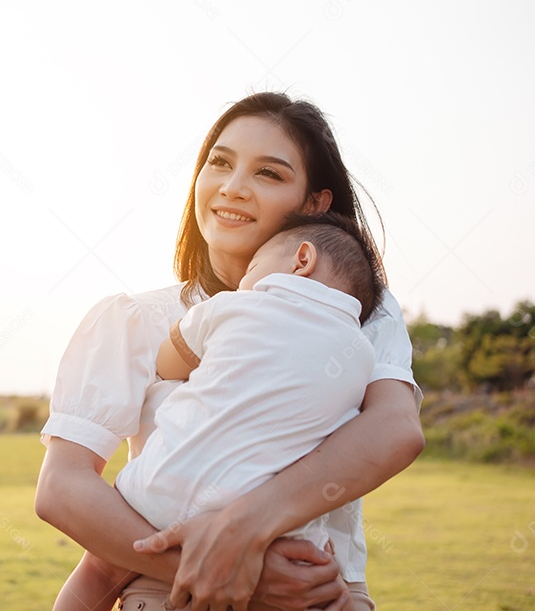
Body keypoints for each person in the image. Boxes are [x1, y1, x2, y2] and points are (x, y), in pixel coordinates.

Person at [36, 92, 424, 611]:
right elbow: (62, 488)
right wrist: (217, 568)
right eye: (219, 163)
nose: (233, 187)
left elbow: (396, 428)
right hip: (167, 591)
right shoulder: (135, 319)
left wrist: (248, 525)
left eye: (268, 173)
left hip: (317, 592)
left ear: (315, 204)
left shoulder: (356, 311)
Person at [53, 212, 385, 611]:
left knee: (99, 571)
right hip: (274, 523)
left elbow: (169, 362)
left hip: (166, 486)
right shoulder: (362, 354)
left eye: (255, 266)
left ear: (302, 259)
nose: (246, 280)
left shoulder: (234, 306)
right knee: (320, 587)